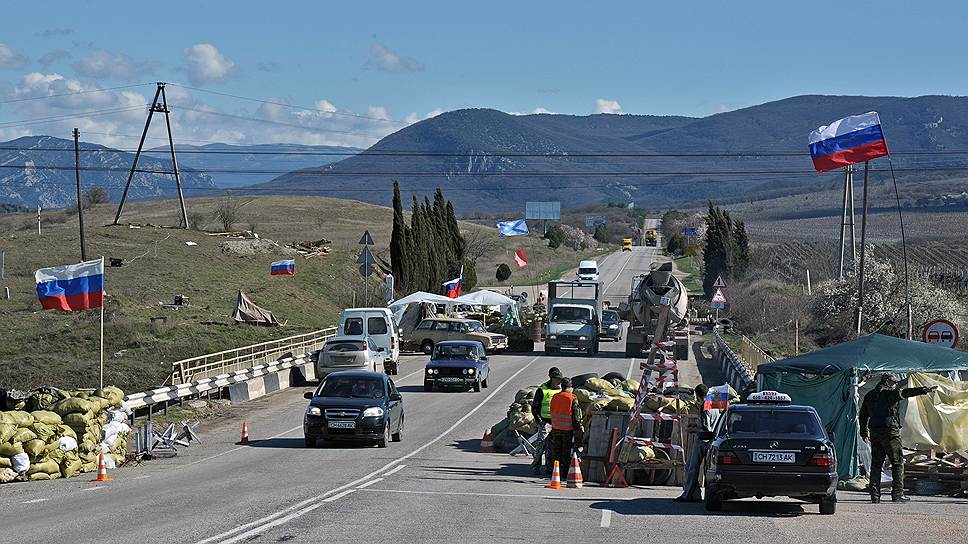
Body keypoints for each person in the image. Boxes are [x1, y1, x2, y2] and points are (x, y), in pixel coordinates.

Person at [860, 373, 938, 503]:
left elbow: (863, 416)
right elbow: (906, 392)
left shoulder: (869, 395)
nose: (896, 385)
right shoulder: (890, 393)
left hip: (875, 433)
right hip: (890, 433)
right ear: (890, 383)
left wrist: (864, 433)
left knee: (876, 465)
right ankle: (897, 494)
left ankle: (875, 496)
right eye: (895, 383)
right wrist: (923, 390)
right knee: (897, 463)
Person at [675, 384, 721, 502]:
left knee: (691, 467)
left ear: (698, 395)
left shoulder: (704, 406)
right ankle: (695, 495)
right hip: (712, 440)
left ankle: (688, 494)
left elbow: (706, 427)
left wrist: (693, 429)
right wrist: (696, 424)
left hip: (702, 440)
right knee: (705, 469)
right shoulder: (714, 404)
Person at [530, 367, 563, 475]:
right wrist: (539, 421)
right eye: (557, 379)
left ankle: (549, 468)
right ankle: (536, 466)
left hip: (556, 423)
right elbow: (534, 407)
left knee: (552, 447)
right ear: (551, 378)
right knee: (541, 446)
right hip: (545, 422)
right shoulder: (542, 389)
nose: (559, 381)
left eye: (560, 379)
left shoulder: (560, 390)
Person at [547, 378, 584, 471]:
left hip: (555, 428)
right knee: (566, 451)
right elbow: (576, 416)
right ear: (570, 387)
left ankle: (555, 470)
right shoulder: (572, 397)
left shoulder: (555, 396)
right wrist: (578, 428)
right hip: (567, 429)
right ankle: (564, 471)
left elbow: (551, 410)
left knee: (556, 450)